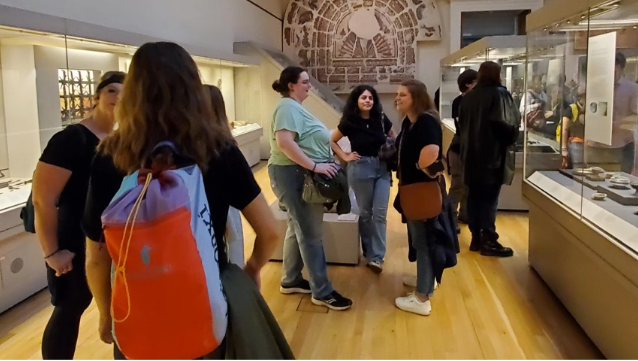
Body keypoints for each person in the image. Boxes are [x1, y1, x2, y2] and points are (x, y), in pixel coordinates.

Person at [82, 42, 280, 359]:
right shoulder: (216, 149)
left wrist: (106, 313)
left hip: (136, 313)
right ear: (192, 86)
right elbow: (270, 231)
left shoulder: (110, 156)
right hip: (201, 308)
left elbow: (96, 254)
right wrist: (252, 268)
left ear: (132, 91)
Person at [32, 70, 125, 359]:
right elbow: (42, 199)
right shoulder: (72, 139)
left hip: (109, 241)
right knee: (70, 308)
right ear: (96, 96)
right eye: (111, 90)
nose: (118, 97)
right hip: (73, 241)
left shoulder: (122, 140)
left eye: (125, 92)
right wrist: (53, 252)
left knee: (119, 308)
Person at [268, 66, 353, 311]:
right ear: (291, 85)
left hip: (296, 172)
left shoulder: (293, 107)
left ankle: (291, 279)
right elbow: (285, 143)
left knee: (298, 228)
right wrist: (315, 166)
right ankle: (322, 291)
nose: (309, 86)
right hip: (292, 174)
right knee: (311, 235)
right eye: (305, 82)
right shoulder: (286, 107)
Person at [330, 85, 395, 273]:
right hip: (360, 168)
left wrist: (392, 150)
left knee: (380, 213)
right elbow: (332, 140)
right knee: (366, 213)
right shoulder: (349, 121)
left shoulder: (381, 118)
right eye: (363, 98)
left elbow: (393, 137)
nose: (367, 101)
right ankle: (369, 252)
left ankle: (377, 257)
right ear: (356, 101)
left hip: (382, 167)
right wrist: (345, 155)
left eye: (370, 98)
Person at [458, 61, 519, 257]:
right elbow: (506, 125)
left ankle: (476, 238)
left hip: (470, 156)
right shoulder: (499, 94)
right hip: (492, 157)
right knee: (489, 200)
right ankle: (489, 240)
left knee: (474, 198)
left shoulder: (468, 97)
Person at [393, 79, 442, 316]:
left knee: (423, 241)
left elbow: (430, 155)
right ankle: (425, 279)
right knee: (419, 239)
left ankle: (422, 297)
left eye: (403, 95)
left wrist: (420, 167)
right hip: (412, 188)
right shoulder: (410, 121)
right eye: (398, 94)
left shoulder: (425, 121)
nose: (398, 98)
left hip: (421, 189)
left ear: (416, 97)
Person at [586, 52, 638, 174]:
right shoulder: (595, 86)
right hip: (596, 146)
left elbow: (636, 115)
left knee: (619, 184)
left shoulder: (632, 89)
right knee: (593, 182)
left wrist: (617, 123)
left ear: (620, 67)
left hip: (620, 146)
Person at [448, 69, 477, 230]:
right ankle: (450, 217)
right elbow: (464, 127)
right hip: (459, 149)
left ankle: (464, 214)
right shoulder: (460, 101)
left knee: (467, 184)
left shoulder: (472, 101)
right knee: (458, 184)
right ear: (468, 84)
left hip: (467, 148)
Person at [561, 86, 586, 169]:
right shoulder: (572, 108)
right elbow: (564, 129)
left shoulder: (590, 109)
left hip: (589, 146)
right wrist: (564, 148)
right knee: (578, 169)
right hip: (576, 145)